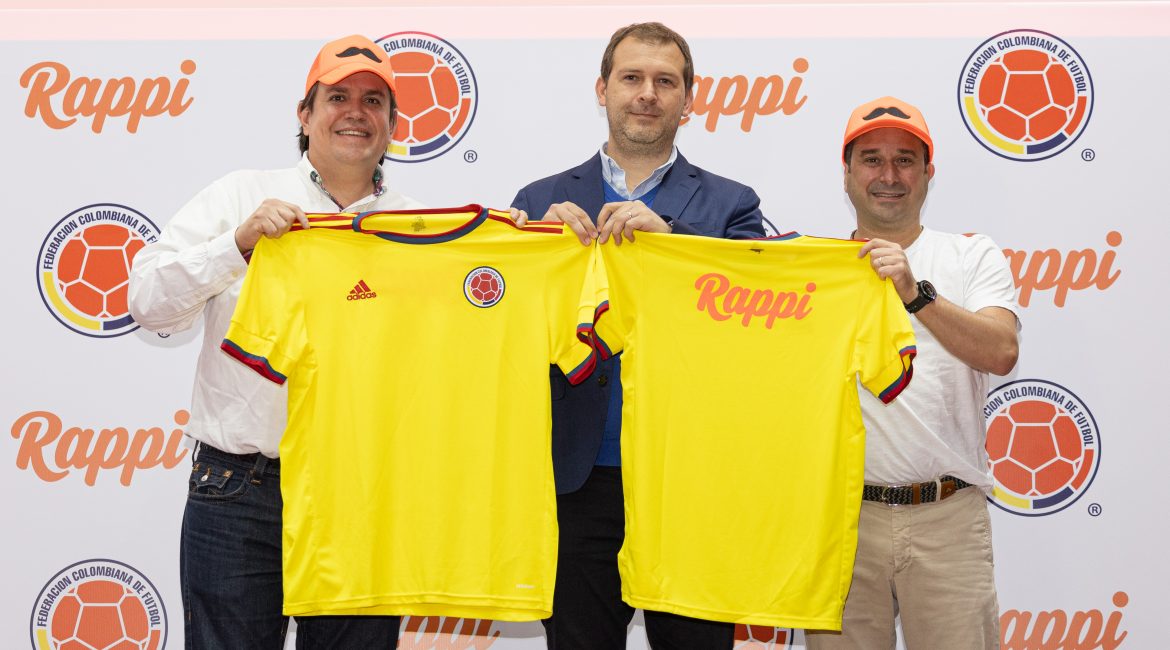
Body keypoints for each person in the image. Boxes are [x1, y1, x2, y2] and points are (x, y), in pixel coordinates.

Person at [128, 34, 423, 648]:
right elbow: (148, 303)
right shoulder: (240, 196)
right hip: (239, 488)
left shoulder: (422, 229)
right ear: (304, 115)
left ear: (393, 125)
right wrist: (235, 245)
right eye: (337, 97)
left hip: (363, 494)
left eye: (373, 101)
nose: (355, 112)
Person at [511, 21, 765, 650]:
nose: (647, 94)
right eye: (631, 78)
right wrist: (532, 251)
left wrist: (673, 246)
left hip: (689, 481)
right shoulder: (540, 200)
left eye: (665, 81)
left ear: (689, 98)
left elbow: (752, 331)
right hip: (574, 480)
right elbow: (504, 332)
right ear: (603, 89)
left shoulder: (734, 205)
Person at [806, 96, 1020, 649]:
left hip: (948, 518)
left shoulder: (971, 256)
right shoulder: (811, 271)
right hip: (841, 521)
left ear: (928, 173)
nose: (888, 175)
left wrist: (915, 293)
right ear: (847, 174)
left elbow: (1001, 351)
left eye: (905, 160)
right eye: (871, 159)